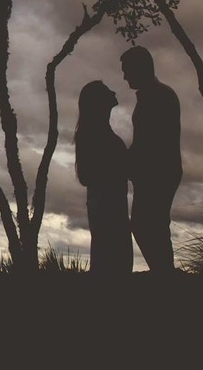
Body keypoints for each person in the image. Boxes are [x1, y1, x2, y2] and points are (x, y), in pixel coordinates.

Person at [121, 45, 182, 274]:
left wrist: (126, 163)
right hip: (154, 172)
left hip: (158, 173)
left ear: (140, 68)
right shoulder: (153, 95)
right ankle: (163, 271)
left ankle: (164, 272)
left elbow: (151, 140)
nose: (124, 75)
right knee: (150, 226)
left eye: (127, 69)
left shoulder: (158, 95)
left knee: (148, 225)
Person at [74, 80, 132, 276]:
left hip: (108, 204)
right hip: (107, 205)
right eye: (108, 91)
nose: (114, 92)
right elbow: (85, 176)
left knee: (112, 260)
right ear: (99, 101)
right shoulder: (94, 134)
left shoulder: (97, 132)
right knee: (113, 262)